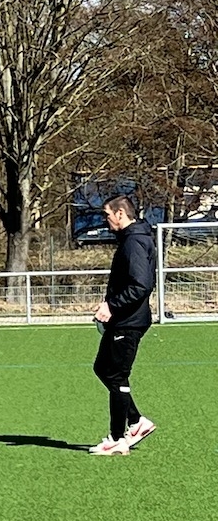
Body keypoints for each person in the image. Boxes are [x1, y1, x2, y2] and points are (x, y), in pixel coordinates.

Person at [89, 195, 157, 456]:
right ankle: (137, 422)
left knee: (117, 376)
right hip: (124, 320)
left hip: (129, 322)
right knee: (103, 368)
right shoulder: (131, 240)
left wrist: (112, 306)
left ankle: (118, 439)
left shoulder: (134, 242)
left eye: (107, 215)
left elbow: (141, 285)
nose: (105, 220)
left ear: (120, 214)